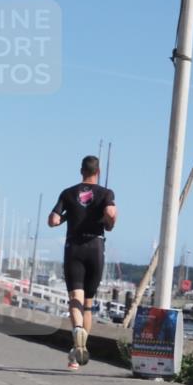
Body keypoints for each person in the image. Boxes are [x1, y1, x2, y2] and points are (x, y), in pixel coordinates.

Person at [48, 156, 117, 370]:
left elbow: (53, 220)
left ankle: (76, 329)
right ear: (99, 171)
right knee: (87, 304)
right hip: (95, 247)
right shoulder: (106, 193)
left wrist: (68, 216)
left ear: (81, 171)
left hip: (74, 248)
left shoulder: (68, 193)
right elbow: (111, 213)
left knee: (74, 299)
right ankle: (79, 350)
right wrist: (109, 221)